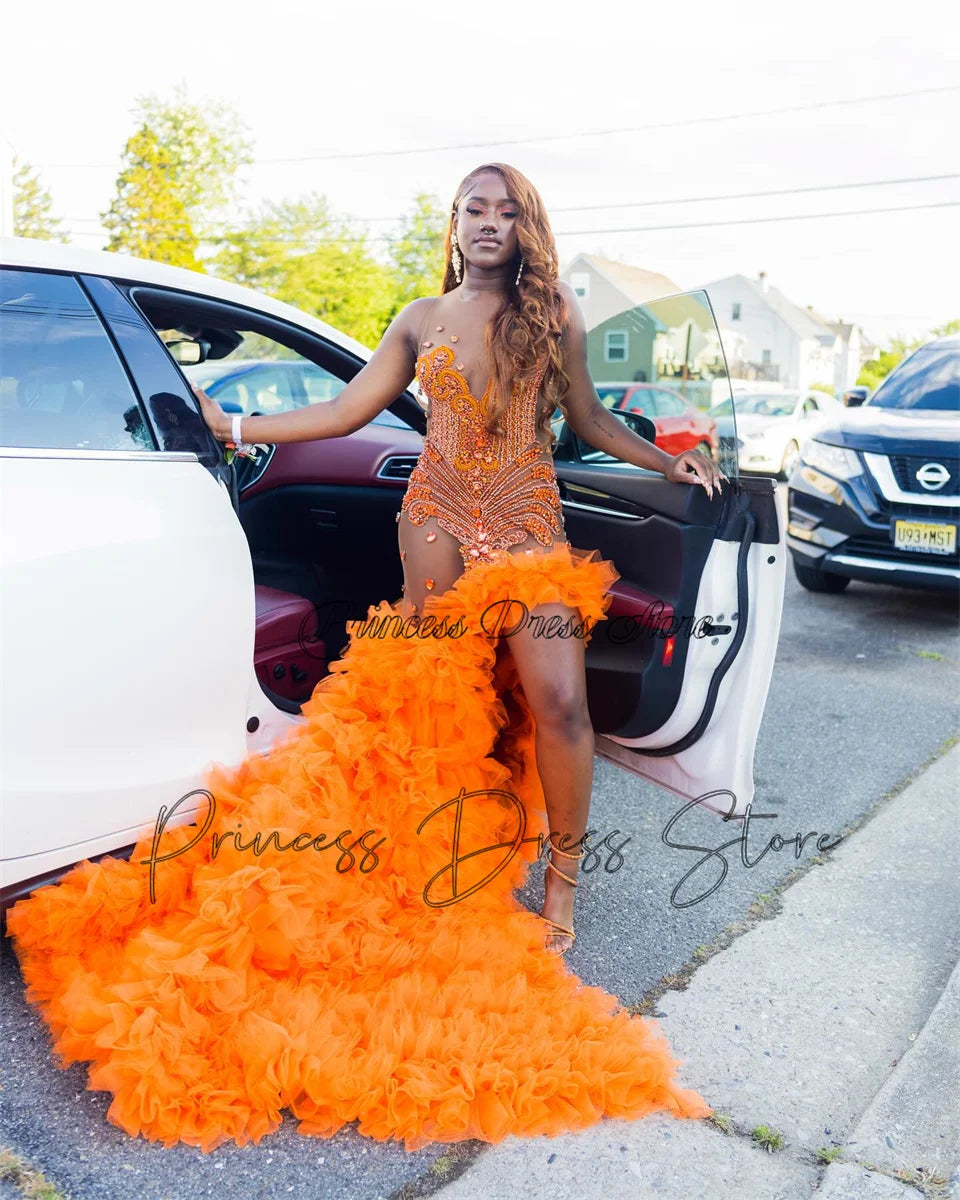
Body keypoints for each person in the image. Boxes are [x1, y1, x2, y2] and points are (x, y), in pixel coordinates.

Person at [7, 162, 724, 1154]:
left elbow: (591, 426)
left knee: (560, 709)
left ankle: (562, 880)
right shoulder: (417, 316)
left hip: (527, 520)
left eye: (504, 210)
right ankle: (436, 860)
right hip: (431, 519)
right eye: (473, 208)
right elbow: (347, 415)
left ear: (526, 227)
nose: (487, 222)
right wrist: (235, 425)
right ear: (454, 223)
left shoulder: (550, 311)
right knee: (442, 712)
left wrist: (665, 460)